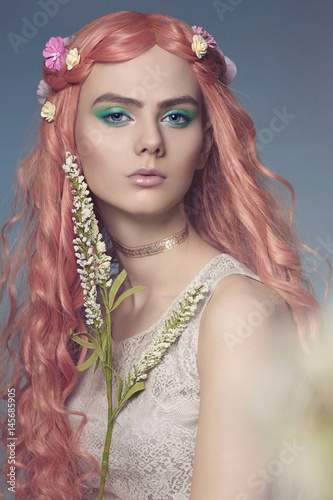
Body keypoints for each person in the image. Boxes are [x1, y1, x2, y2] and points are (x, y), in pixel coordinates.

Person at [0, 10, 326, 500]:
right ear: (68, 137)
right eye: (117, 115)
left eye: (176, 116)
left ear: (204, 144)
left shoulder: (237, 313)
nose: (151, 141)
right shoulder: (95, 315)